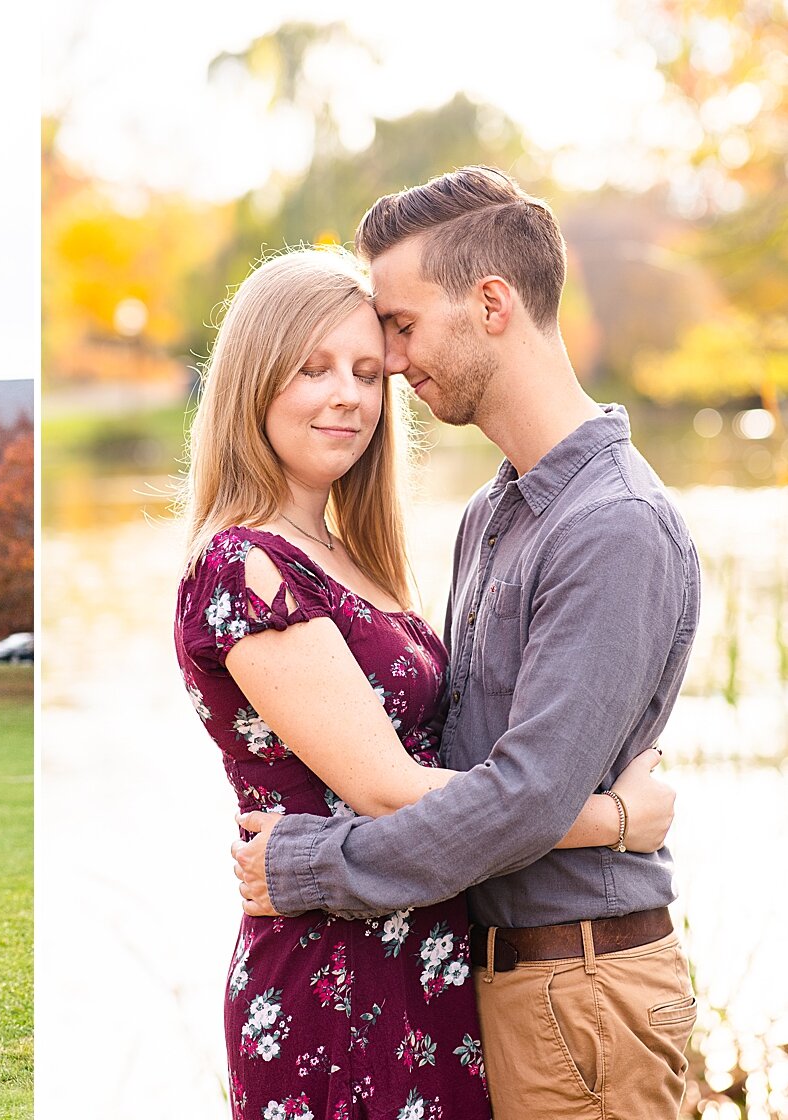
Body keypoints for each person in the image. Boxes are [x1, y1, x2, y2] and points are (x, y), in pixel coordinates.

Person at [233, 167, 701, 1119]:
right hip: (493, 985)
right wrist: (613, 817)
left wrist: (311, 866)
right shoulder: (496, 512)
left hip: (586, 991)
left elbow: (526, 797)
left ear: (491, 304)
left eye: (399, 329)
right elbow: (454, 761)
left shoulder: (612, 526)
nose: (392, 364)